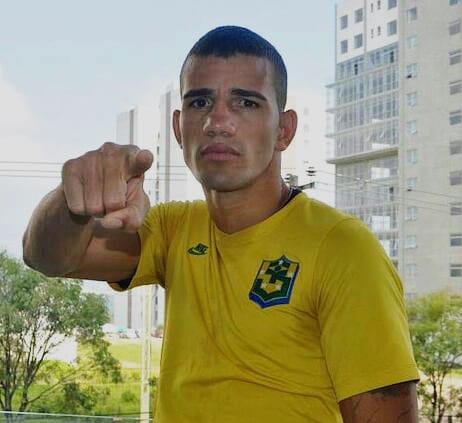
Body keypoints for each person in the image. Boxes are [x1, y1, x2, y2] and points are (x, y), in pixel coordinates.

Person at [23, 26, 419, 422]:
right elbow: (46, 256)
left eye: (245, 103)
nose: (217, 122)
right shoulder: (174, 229)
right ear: (179, 128)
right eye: (200, 102)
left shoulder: (343, 248)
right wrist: (73, 199)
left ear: (283, 130)